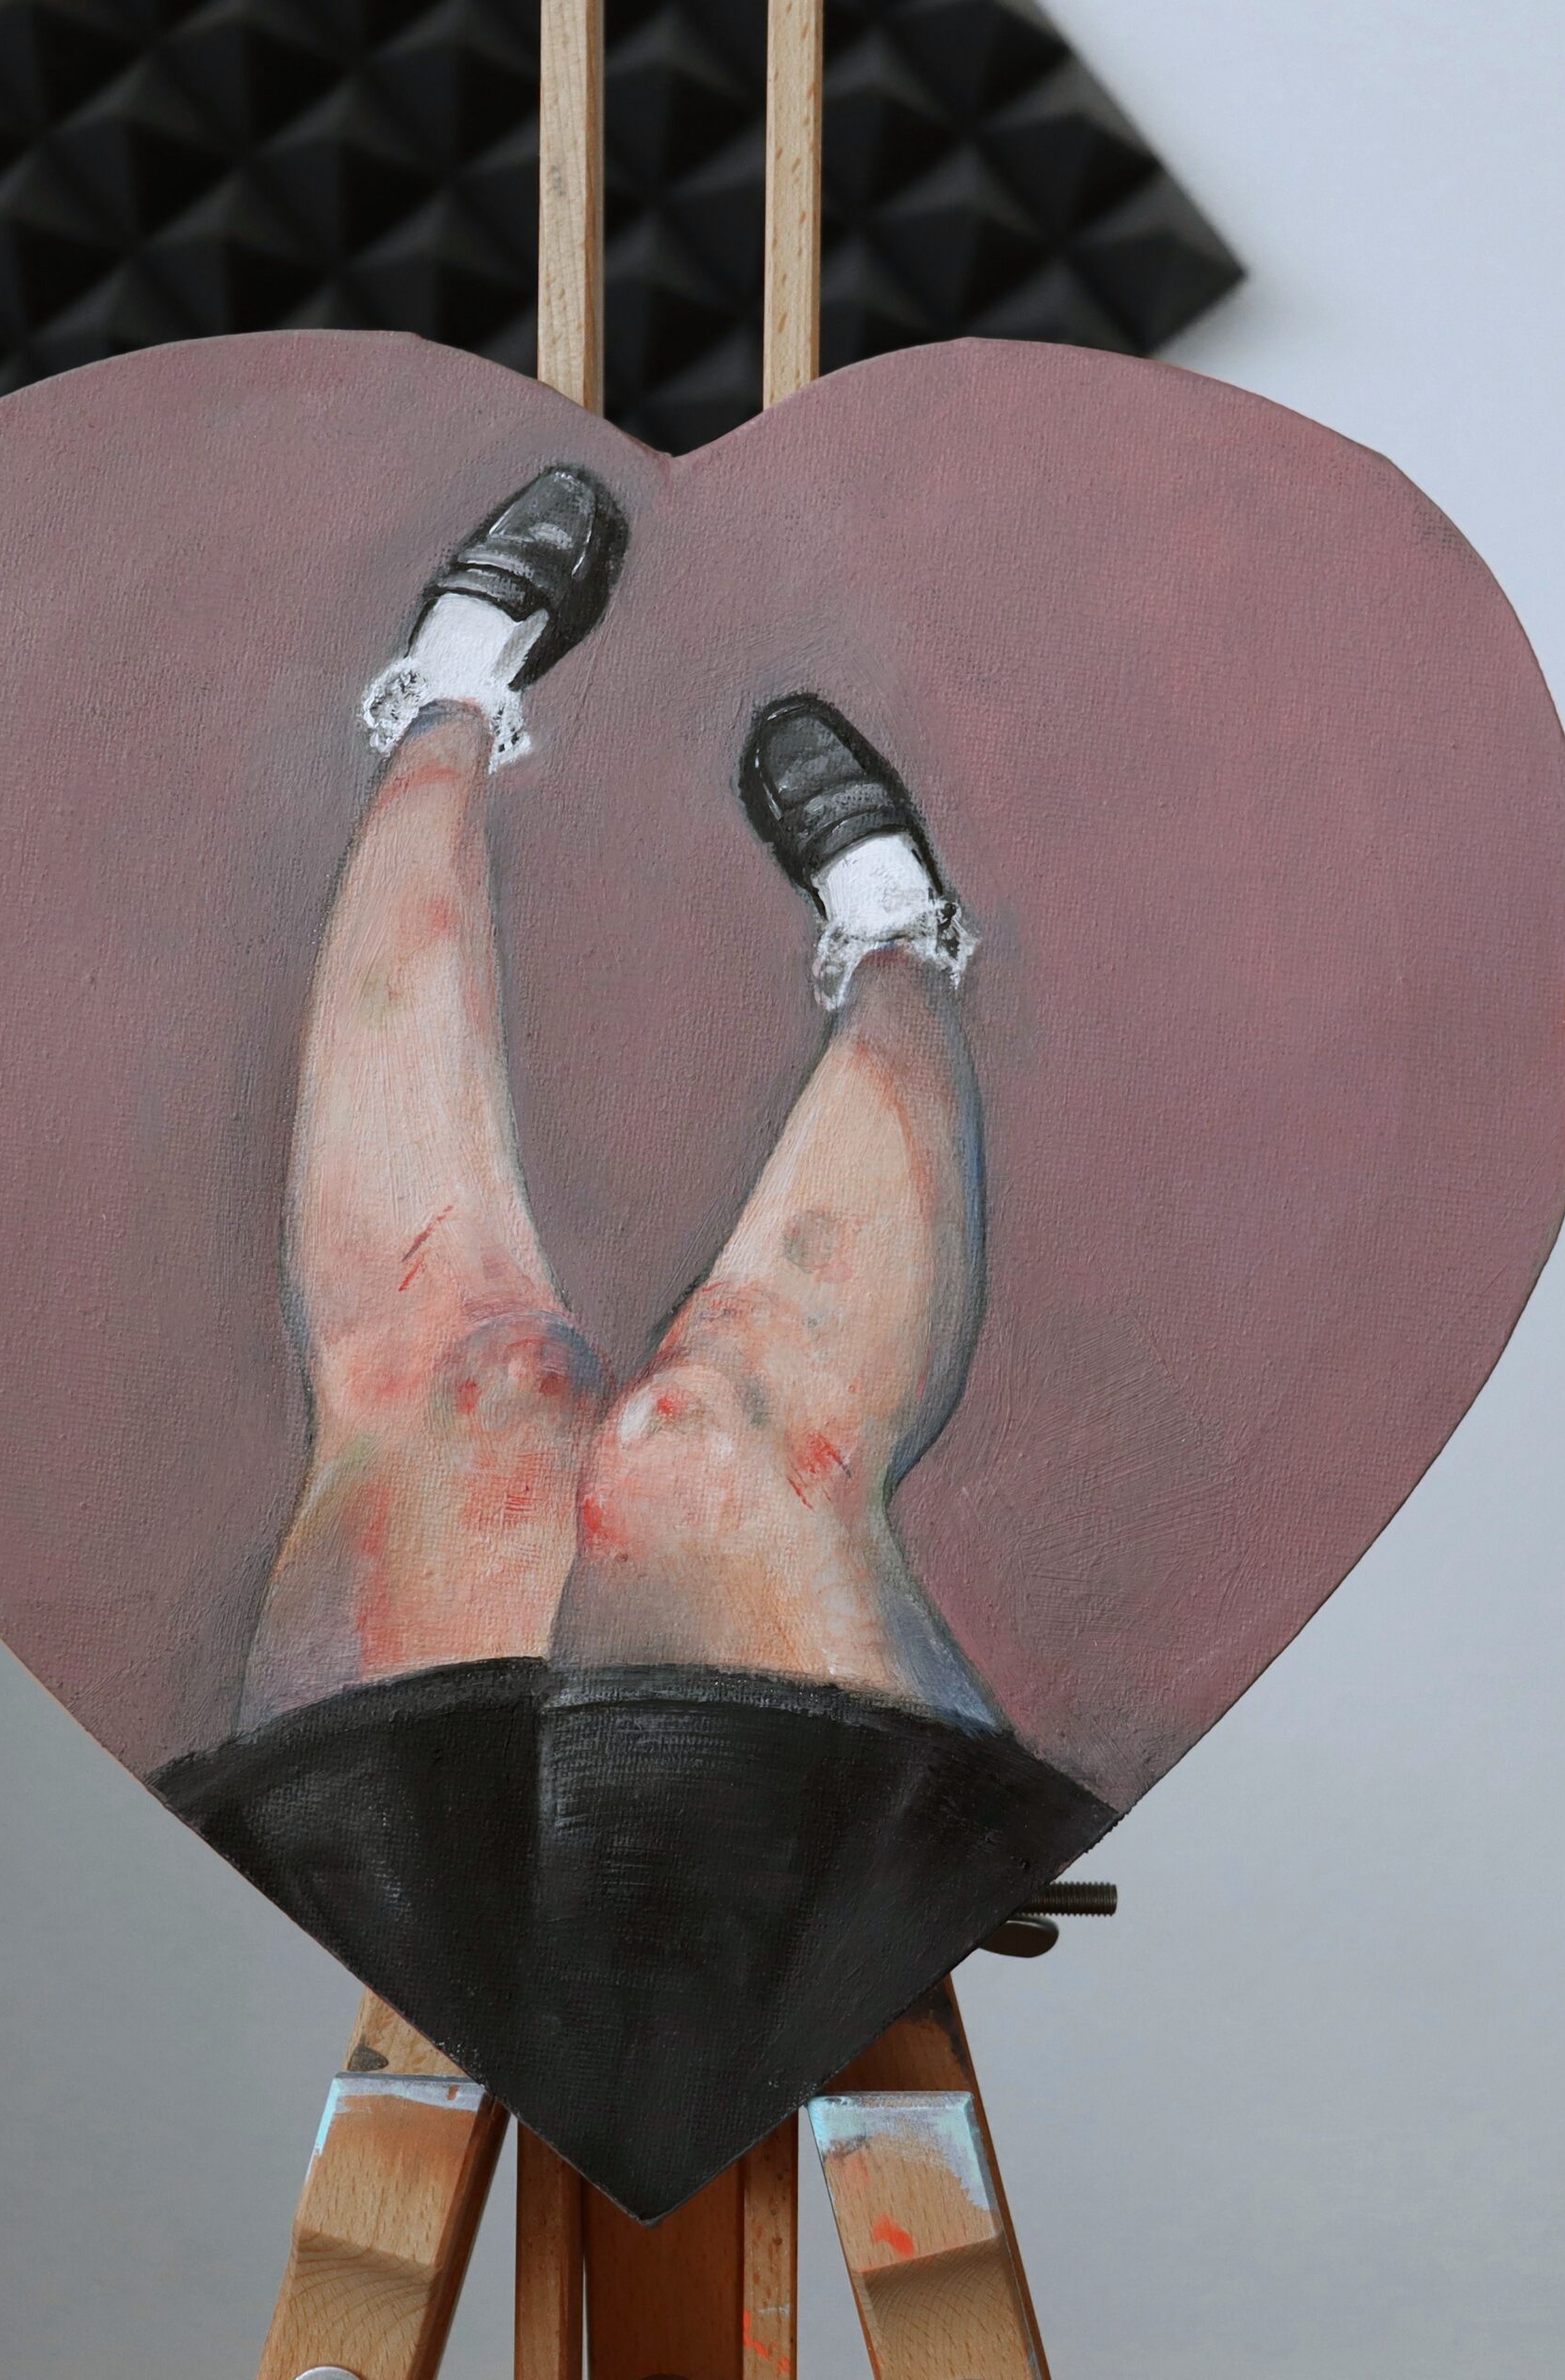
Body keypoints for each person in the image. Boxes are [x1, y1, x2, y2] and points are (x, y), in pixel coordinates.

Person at [155, 468, 1107, 2218]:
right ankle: (453, 702)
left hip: (560, 1820)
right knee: (514, 1397)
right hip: (585, 1840)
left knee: (685, 1435)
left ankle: (893, 953)